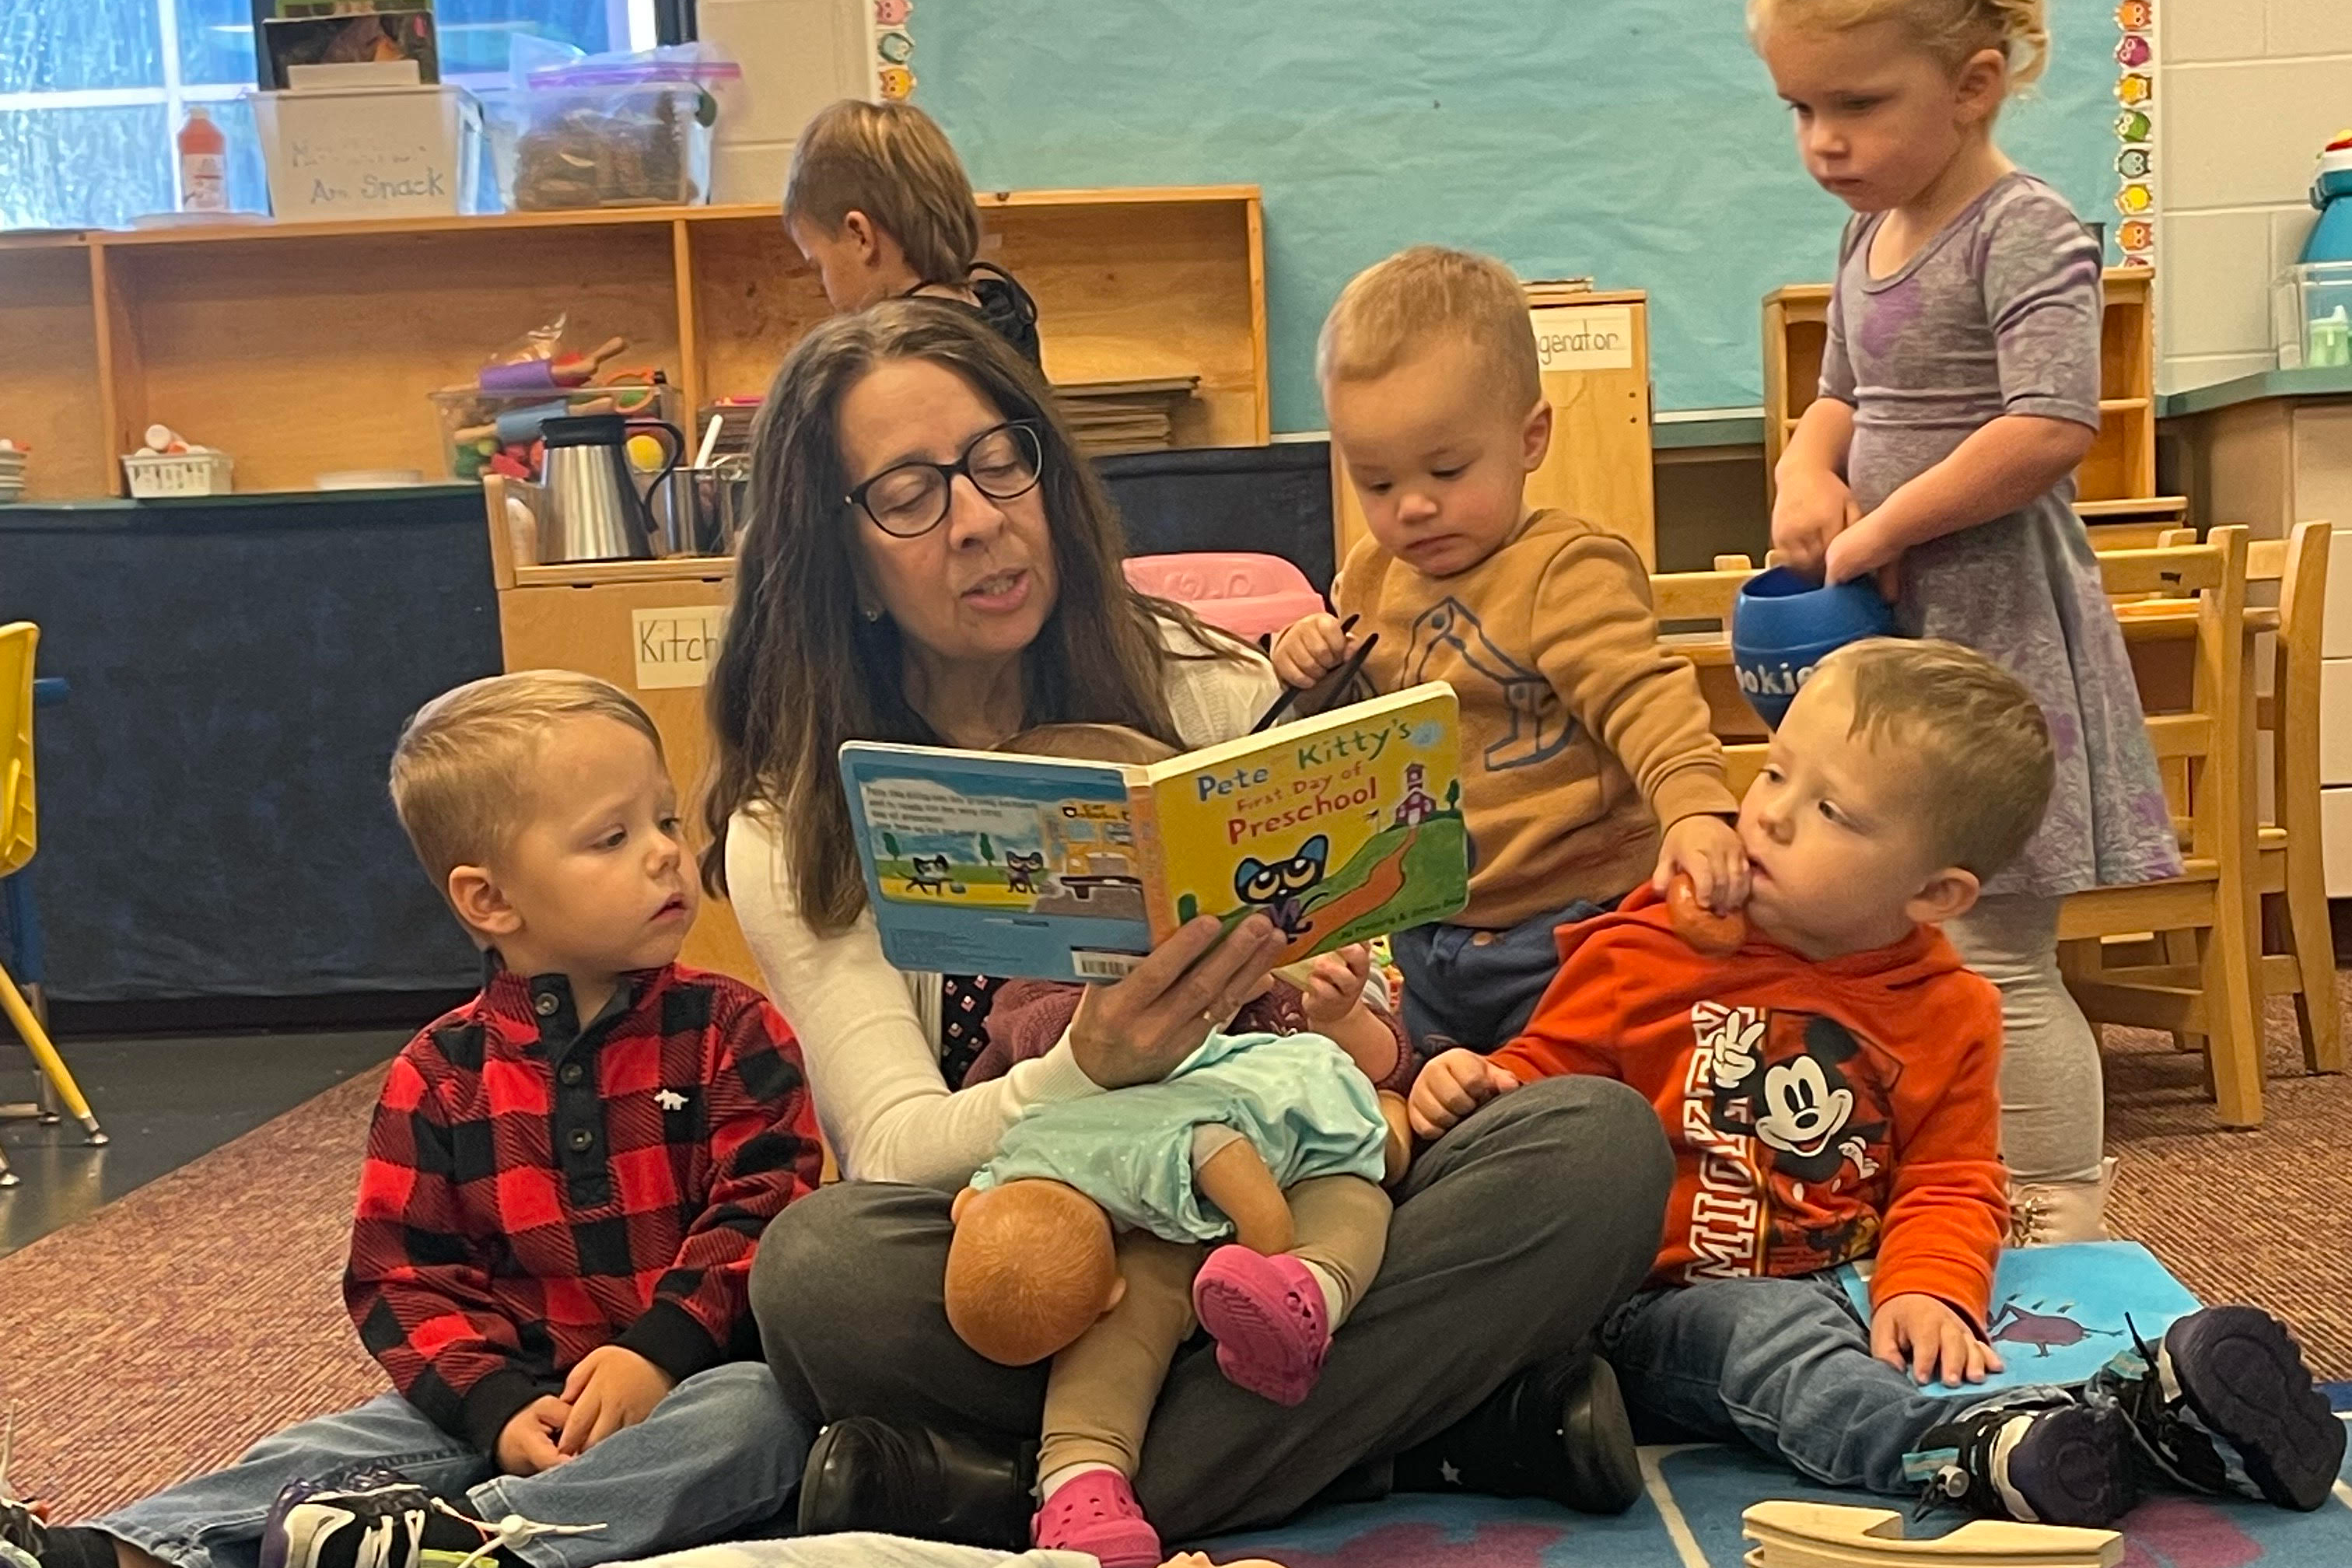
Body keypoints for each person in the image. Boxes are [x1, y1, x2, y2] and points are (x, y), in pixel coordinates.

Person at [701, 299, 1675, 1547]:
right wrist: (1085, 1067)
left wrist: (1359, 1007)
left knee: (1594, 1146)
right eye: (909, 493)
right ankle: (1426, 1433)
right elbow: (891, 1150)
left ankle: (1021, 1490)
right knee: (821, 1276)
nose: (982, 518)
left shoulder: (1194, 676)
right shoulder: (797, 816)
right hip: (1047, 1247)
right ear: (841, 558)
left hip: (1283, 1203)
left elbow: (1356, 984)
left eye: (1002, 459)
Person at [1410, 640, 2344, 1529]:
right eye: (1775, 773)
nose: (1767, 813)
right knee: (1773, 1350)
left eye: (1833, 812)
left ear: (1935, 895)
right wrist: (1479, 1083)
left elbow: (1951, 1178)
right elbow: (1551, 1090)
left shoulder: (1949, 1010)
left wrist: (1932, 1290)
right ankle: (1948, 1450)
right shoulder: (1642, 948)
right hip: (1657, 1302)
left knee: (1995, 1327)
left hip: (1851, 1283)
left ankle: (2156, 1422)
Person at [1, 673, 823, 1568]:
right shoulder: (438, 1074)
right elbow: (404, 1280)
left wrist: (658, 1356)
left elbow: (765, 1211)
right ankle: (118, 1552)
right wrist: (496, 1408)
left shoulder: (732, 1031)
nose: (667, 854)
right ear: (490, 901)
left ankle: (474, 1545)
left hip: (690, 1379)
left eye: (666, 820)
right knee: (328, 1449)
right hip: (510, 1399)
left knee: (763, 1417)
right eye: (613, 838)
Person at [1749, 0, 2180, 1241]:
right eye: (1802, 110)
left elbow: (2050, 426)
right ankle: (1938, 1191)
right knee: (1898, 950)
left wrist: (1880, 531)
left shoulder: (2026, 228)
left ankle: (2061, 1210)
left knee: (1995, 953)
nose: (1824, 140)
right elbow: (1838, 398)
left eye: (1857, 104)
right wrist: (1802, 473)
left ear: (1975, 83)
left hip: (1996, 636)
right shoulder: (1867, 233)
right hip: (1894, 639)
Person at [1270, 246, 1743, 1057]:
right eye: (1376, 483)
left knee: (1571, 1096)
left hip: (1572, 928)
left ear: (1531, 438)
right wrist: (1310, 672)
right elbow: (1364, 742)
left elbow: (1643, 698)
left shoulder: (1563, 569)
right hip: (1429, 932)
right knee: (1425, 1097)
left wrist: (1696, 806)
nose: (1413, 506)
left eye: (1448, 470)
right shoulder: (1372, 577)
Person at [785, 99, 1042, 368]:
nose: (823, 289)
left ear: (860, 236)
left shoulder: (888, 366)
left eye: (819, 265)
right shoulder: (1007, 318)